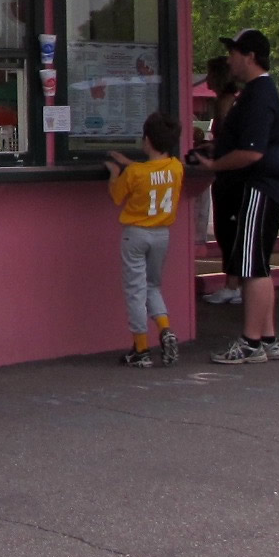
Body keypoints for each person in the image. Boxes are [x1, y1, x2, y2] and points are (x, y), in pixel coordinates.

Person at [187, 29, 279, 363]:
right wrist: (213, 149)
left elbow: (252, 152)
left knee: (251, 268)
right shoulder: (253, 94)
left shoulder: (259, 96)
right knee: (259, 264)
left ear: (250, 56)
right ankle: (268, 338)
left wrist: (216, 163)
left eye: (234, 53)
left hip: (257, 187)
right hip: (258, 186)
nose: (229, 59)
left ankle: (250, 342)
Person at [105, 110, 185, 367]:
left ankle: (141, 348)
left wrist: (115, 172)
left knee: (135, 291)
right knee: (153, 285)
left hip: (136, 235)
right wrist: (132, 165)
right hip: (162, 235)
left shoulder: (135, 173)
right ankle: (165, 328)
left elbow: (117, 196)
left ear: (146, 140)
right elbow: (153, 173)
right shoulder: (176, 168)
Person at [198, 54, 243, 305]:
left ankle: (233, 283)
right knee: (228, 229)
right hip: (227, 174)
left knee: (230, 229)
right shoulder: (224, 102)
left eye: (211, 75)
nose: (208, 81)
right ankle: (235, 282)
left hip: (231, 176)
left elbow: (228, 141)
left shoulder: (227, 104)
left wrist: (212, 151)